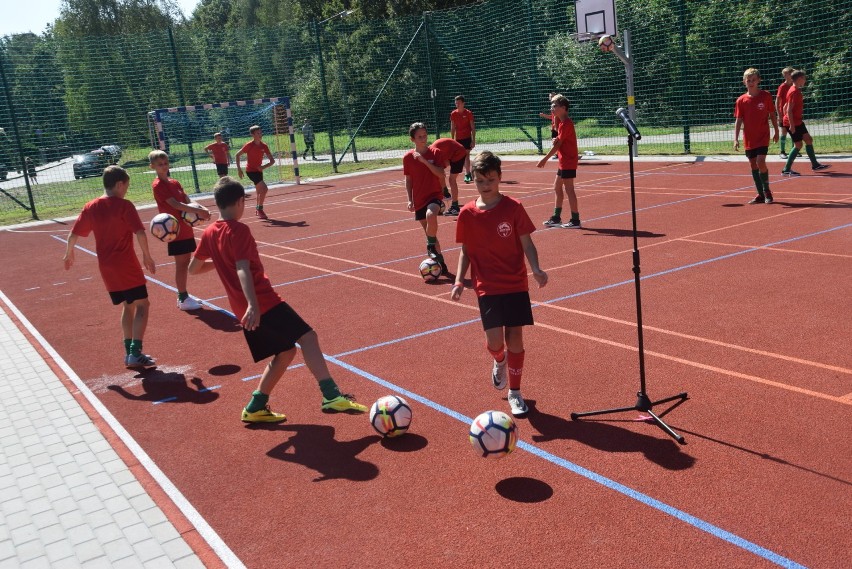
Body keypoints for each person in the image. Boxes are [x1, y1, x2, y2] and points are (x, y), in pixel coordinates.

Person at [188, 177, 368, 422]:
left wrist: (221, 262)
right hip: (261, 301)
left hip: (241, 307)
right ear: (240, 201)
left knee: (285, 352)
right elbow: (242, 267)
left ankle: (255, 407)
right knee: (308, 337)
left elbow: (193, 269)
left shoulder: (209, 232)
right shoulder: (238, 230)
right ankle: (331, 396)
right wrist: (253, 303)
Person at [451, 151, 548, 417]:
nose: (486, 185)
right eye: (481, 181)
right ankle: (500, 360)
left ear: (500, 178)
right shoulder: (467, 214)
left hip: (515, 283)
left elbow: (527, 243)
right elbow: (465, 251)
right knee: (495, 342)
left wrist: (536, 269)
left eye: (491, 179)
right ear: (474, 181)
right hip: (487, 286)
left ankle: (515, 392)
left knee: (514, 336)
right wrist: (459, 281)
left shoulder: (513, 207)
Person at [63, 166, 157, 369]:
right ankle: (135, 353)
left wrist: (69, 253)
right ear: (119, 184)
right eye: (127, 186)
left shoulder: (91, 206)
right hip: (125, 264)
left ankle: (128, 352)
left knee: (127, 305)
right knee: (143, 305)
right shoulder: (124, 205)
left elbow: (73, 234)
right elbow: (140, 233)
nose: (126, 190)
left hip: (106, 266)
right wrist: (147, 256)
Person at [148, 150, 211, 311]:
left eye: (166, 163)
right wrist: (198, 212)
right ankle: (182, 297)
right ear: (152, 166)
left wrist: (201, 208)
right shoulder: (158, 185)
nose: (164, 166)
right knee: (182, 264)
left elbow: (187, 199)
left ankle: (184, 294)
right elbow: (175, 204)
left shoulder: (174, 182)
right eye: (160, 164)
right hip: (174, 231)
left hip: (186, 229)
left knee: (185, 261)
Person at [403, 122, 449, 275]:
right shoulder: (408, 158)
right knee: (431, 234)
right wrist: (410, 199)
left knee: (431, 215)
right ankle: (440, 261)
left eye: (425, 135)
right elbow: (408, 180)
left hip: (434, 195)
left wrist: (423, 161)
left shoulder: (435, 153)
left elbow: (441, 174)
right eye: (419, 137)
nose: (423, 139)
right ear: (412, 139)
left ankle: (430, 246)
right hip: (419, 198)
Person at [734, 68, 779, 204]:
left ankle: (767, 191)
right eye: (748, 80)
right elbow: (738, 120)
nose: (751, 82)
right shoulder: (741, 100)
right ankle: (760, 194)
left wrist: (776, 131)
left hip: (763, 136)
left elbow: (772, 115)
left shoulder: (765, 96)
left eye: (753, 80)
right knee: (753, 164)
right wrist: (735, 138)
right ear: (744, 82)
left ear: (759, 80)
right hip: (749, 138)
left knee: (760, 162)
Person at [536, 94, 581, 228]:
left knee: (569, 189)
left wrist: (545, 159)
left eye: (554, 105)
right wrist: (556, 140)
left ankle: (575, 220)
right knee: (557, 187)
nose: (552, 108)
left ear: (563, 108)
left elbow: (558, 145)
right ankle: (556, 217)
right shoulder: (561, 123)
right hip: (563, 161)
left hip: (568, 161)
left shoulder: (566, 123)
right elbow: (559, 141)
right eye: (552, 105)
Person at [781, 70, 830, 176]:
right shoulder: (794, 91)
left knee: (808, 139)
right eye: (804, 78)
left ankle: (815, 164)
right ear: (799, 79)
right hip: (793, 123)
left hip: (797, 121)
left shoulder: (794, 90)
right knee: (798, 145)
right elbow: (788, 110)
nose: (805, 80)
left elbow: (785, 107)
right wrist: (792, 125)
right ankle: (786, 169)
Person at [235, 125, 275, 219]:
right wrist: (239, 169)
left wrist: (263, 167)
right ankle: (260, 209)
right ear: (252, 135)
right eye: (258, 133)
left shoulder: (264, 146)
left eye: (261, 132)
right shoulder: (249, 145)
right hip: (250, 171)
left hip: (258, 171)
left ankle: (257, 209)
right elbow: (237, 155)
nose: (260, 134)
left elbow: (272, 161)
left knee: (259, 192)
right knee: (264, 189)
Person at [430, 137, 468, 216]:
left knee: (452, 179)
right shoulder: (433, 151)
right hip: (454, 152)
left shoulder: (434, 153)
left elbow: (441, 173)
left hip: (458, 153)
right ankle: (445, 194)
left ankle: (455, 207)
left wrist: (443, 189)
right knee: (440, 174)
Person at [450, 95, 476, 183]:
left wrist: (473, 140)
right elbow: (453, 128)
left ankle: (467, 174)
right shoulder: (453, 114)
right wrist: (452, 140)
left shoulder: (468, 113)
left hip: (467, 137)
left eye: (459, 103)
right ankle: (469, 171)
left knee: (466, 154)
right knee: (461, 156)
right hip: (458, 139)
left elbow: (472, 127)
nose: (457, 105)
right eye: (456, 103)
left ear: (463, 103)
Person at [775, 67, 794, 159]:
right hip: (783, 113)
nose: (787, 76)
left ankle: (794, 150)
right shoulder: (782, 86)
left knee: (794, 131)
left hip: (792, 112)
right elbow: (777, 101)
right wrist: (779, 114)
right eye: (785, 74)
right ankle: (782, 151)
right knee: (784, 131)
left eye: (789, 73)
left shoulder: (794, 85)